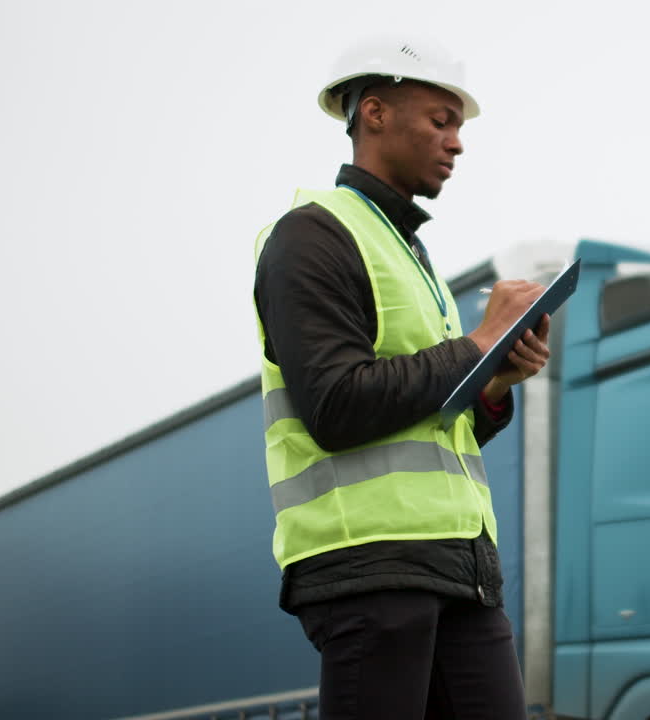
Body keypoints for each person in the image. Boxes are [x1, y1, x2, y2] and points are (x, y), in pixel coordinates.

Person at [252, 36, 547, 719]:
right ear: (376, 113)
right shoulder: (311, 235)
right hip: (369, 567)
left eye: (459, 127)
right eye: (441, 121)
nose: (457, 143)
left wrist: (494, 379)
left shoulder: (412, 256)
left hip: (461, 569)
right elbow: (335, 406)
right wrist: (478, 342)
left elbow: (431, 422)